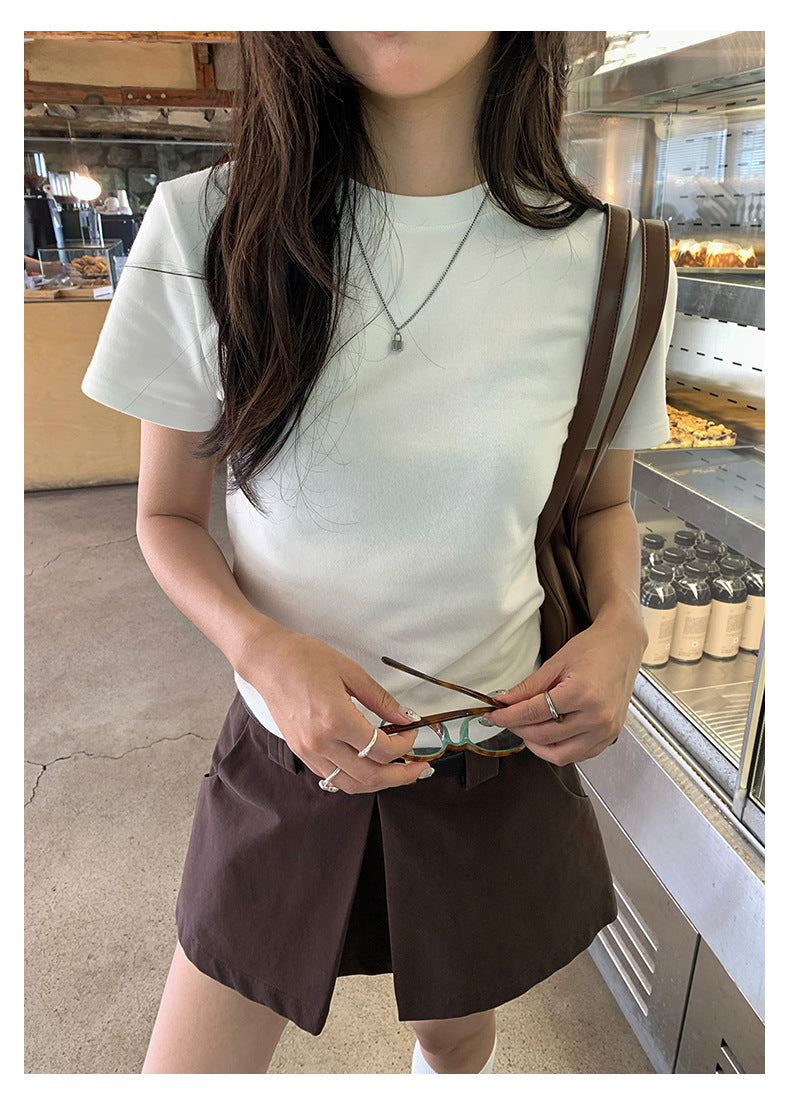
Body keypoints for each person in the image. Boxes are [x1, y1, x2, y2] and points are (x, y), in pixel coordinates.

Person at [81, 31, 676, 1074]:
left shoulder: (615, 263)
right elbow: (167, 516)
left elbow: (601, 505)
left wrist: (624, 625)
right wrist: (261, 649)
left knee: (454, 1031)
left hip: (490, 754)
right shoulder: (204, 225)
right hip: (286, 753)